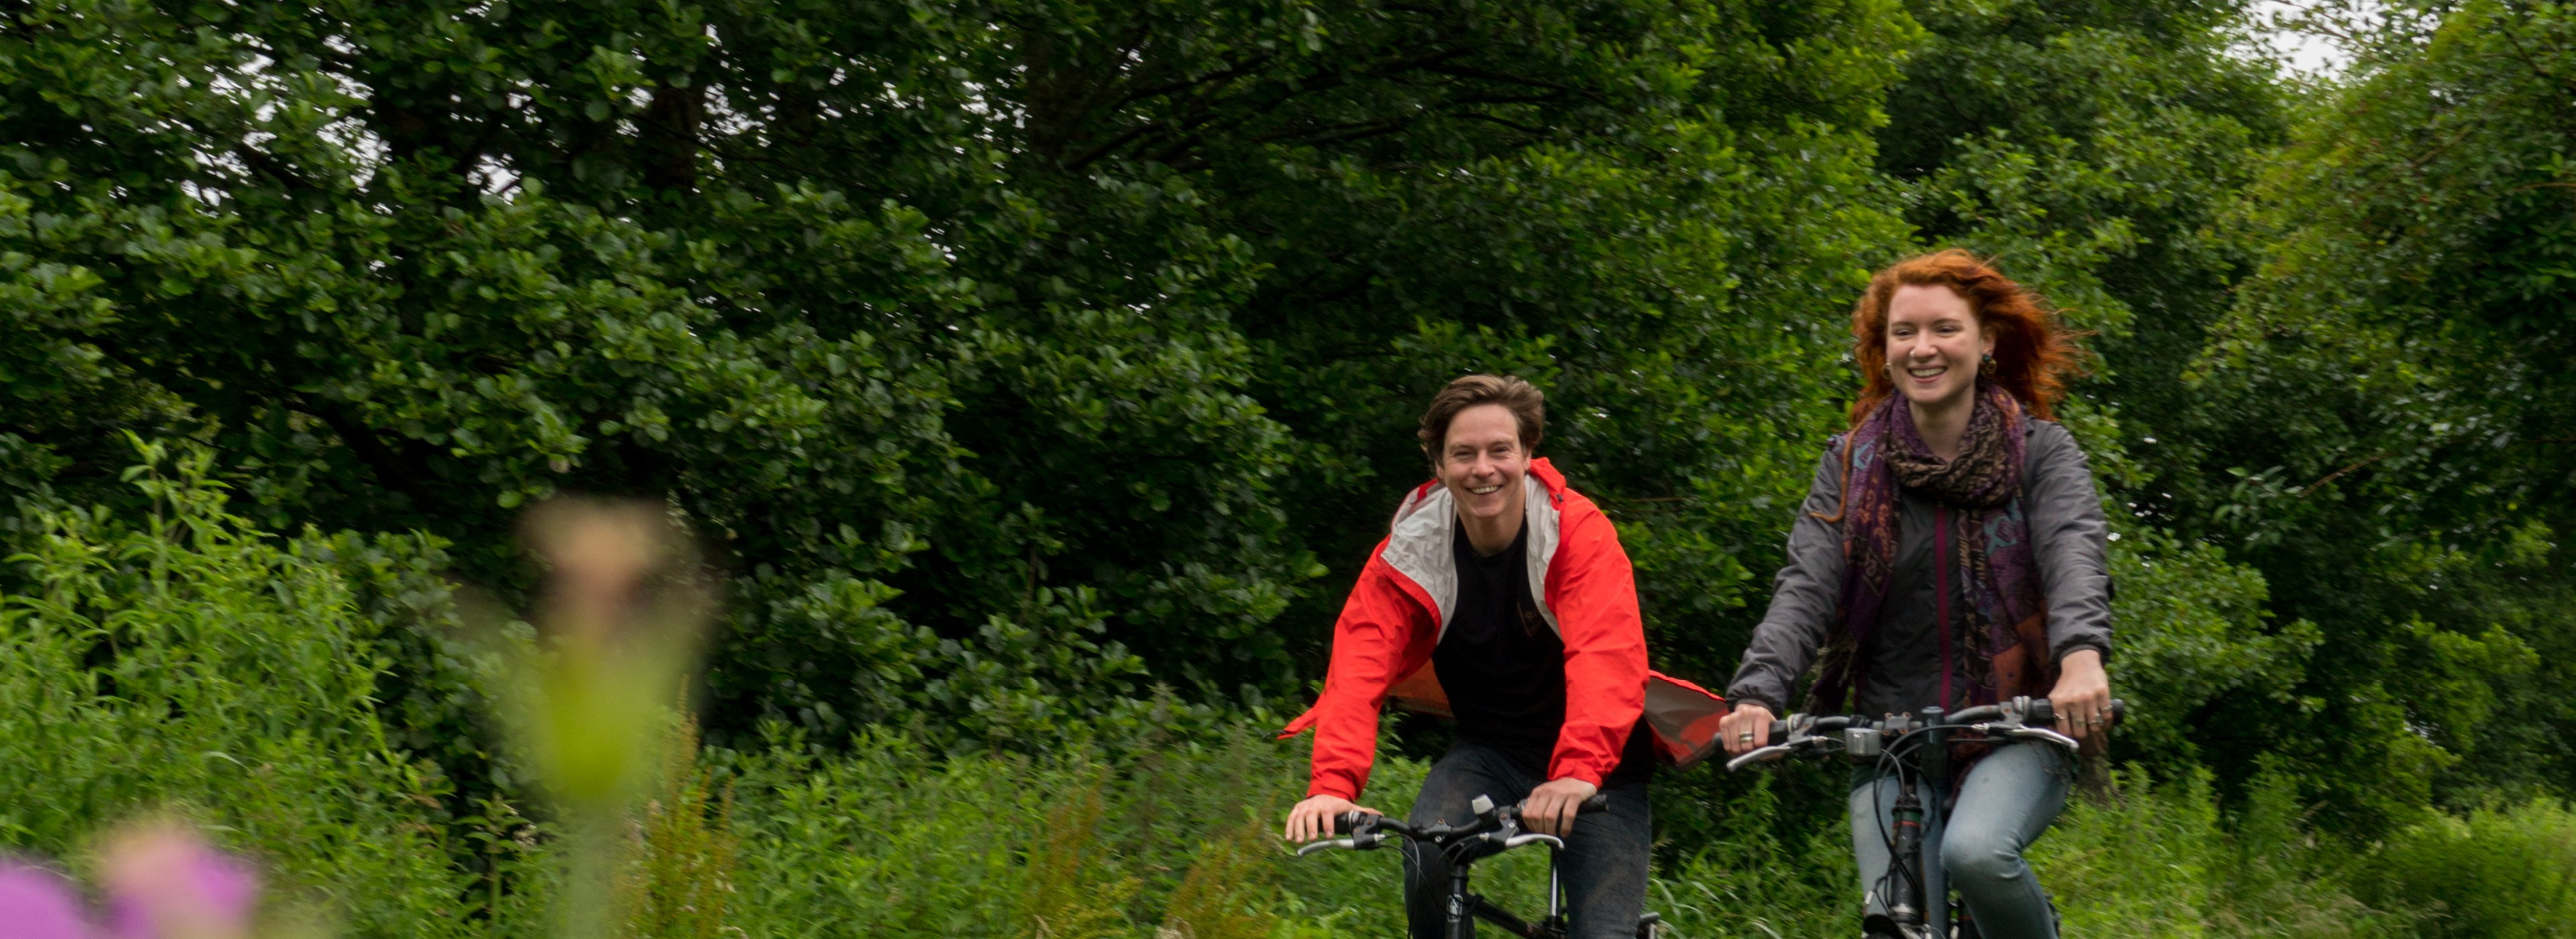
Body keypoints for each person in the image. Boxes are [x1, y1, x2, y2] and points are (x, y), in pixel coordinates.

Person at [1717, 251, 2114, 939]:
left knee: (1977, 852)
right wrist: (1757, 692)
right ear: (1883, 347)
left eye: (1944, 329)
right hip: (1891, 732)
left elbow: (2072, 553)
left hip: (2017, 721)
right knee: (1894, 916)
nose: (1922, 348)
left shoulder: (2042, 452)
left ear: (1986, 339)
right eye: (1904, 332)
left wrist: (2081, 658)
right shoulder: (1850, 463)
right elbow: (1807, 585)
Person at [1279, 374, 1657, 939]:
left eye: (1500, 450)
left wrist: (1578, 772)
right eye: (1463, 454)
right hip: (1491, 751)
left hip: (1604, 771)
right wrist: (1333, 783)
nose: (1484, 469)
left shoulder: (1574, 532)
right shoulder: (1413, 549)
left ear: (1528, 454)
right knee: (1426, 852)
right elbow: (1358, 664)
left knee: (1603, 933)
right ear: (1438, 464)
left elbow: (1605, 653)